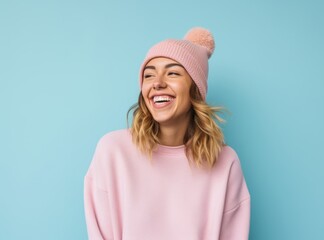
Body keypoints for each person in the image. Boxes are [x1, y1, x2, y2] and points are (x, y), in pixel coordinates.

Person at [84, 27, 251, 240]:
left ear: (195, 89)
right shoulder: (113, 151)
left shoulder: (226, 162)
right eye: (149, 75)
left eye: (172, 73)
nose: (157, 83)